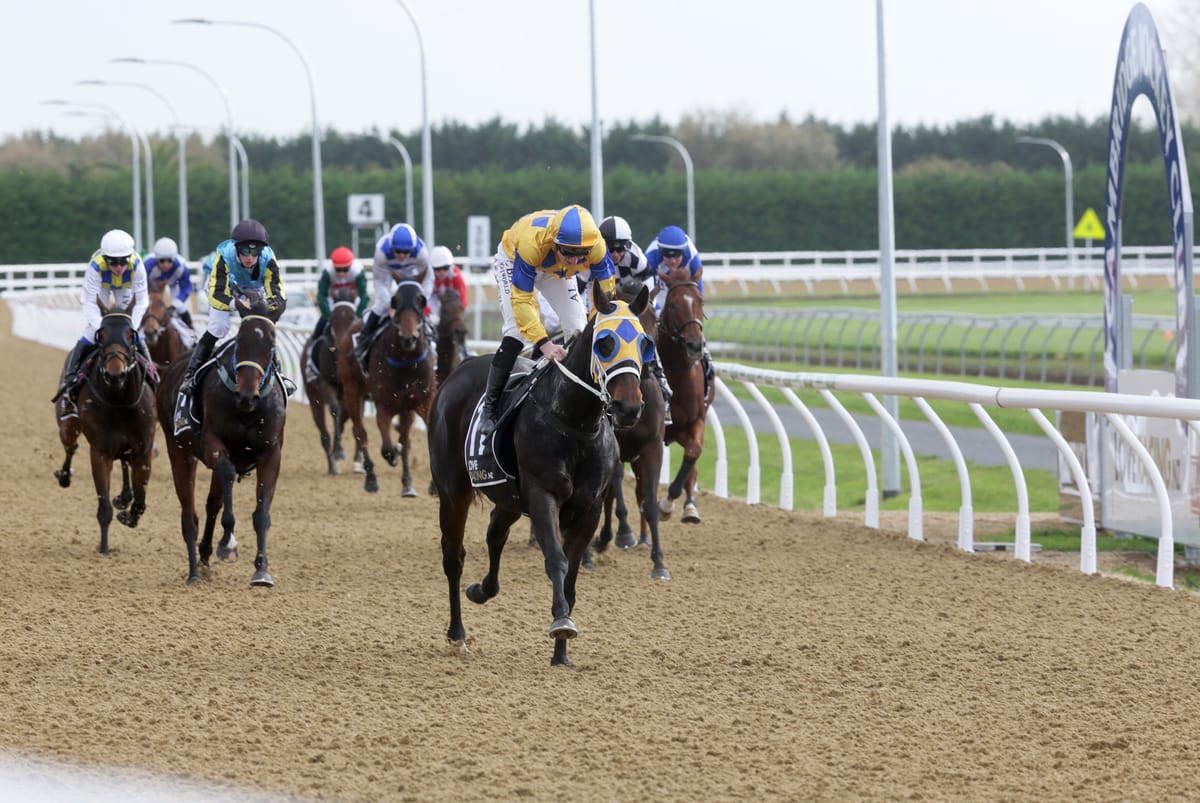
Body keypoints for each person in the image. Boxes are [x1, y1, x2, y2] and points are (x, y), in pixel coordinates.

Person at [477, 204, 616, 436]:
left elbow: (606, 294)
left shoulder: (596, 246)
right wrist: (545, 344)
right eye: (568, 252)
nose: (574, 261)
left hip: (554, 270)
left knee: (581, 331)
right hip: (516, 260)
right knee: (515, 333)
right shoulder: (534, 243)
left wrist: (598, 324)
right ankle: (489, 409)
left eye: (580, 254)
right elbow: (522, 301)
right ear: (555, 243)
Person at [176, 219, 286, 423]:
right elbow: (216, 296)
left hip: (254, 287)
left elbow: (279, 296)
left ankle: (277, 372)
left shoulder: (269, 259)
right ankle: (191, 374)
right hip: (223, 287)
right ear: (236, 248)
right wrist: (236, 304)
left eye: (255, 252)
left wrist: (265, 308)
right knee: (219, 327)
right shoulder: (223, 257)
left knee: (262, 326)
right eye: (245, 251)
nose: (250, 258)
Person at [52, 229, 154, 418]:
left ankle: (153, 377)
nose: (118, 267)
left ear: (129, 258)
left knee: (132, 336)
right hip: (102, 289)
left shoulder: (137, 265)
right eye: (113, 262)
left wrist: (132, 327)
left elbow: (142, 302)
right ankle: (70, 384)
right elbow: (89, 302)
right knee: (91, 333)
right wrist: (102, 327)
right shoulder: (96, 266)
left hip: (125, 289)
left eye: (123, 261)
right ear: (105, 259)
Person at [600, 215, 673, 409]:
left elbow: (647, 288)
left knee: (646, 331)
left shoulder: (636, 257)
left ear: (627, 246)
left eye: (620, 248)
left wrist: (646, 310)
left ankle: (661, 381)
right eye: (610, 248)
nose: (615, 254)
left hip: (629, 293)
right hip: (601, 295)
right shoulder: (594, 256)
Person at [354, 222, 433, 373]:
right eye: (398, 251)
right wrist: (389, 305)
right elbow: (380, 282)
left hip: (413, 273)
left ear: (412, 249)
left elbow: (429, 280)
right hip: (388, 273)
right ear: (391, 247)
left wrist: (421, 301)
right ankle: (363, 342)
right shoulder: (382, 253)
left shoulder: (421, 253)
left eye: (406, 252)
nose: (402, 256)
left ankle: (432, 342)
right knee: (380, 306)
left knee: (419, 310)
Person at [644, 224, 713, 390]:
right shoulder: (651, 257)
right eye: (668, 257)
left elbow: (698, 298)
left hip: (683, 287)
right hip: (659, 288)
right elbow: (648, 294)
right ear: (661, 253)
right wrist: (659, 312)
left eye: (677, 257)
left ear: (684, 253)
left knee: (693, 325)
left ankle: (707, 363)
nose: (673, 261)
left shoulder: (692, 257)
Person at [307, 245, 369, 382]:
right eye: (338, 270)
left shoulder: (358, 272)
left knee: (368, 328)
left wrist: (358, 314)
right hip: (333, 305)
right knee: (319, 328)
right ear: (333, 266)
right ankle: (310, 365)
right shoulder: (327, 272)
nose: (341, 273)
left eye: (345, 269)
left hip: (353, 305)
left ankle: (369, 368)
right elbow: (322, 296)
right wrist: (328, 315)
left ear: (351, 266)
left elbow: (364, 296)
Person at [144, 236, 196, 329]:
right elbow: (141, 286)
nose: (165, 265)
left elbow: (186, 288)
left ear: (174, 258)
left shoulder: (181, 267)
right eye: (162, 261)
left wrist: (174, 305)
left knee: (181, 307)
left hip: (174, 284)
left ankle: (191, 330)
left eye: (169, 261)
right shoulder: (147, 265)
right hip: (151, 286)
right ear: (156, 259)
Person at [428, 245, 469, 322]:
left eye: (445, 268)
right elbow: (425, 297)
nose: (442, 272)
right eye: (437, 269)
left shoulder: (456, 276)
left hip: (451, 298)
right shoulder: (428, 277)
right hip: (433, 296)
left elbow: (462, 299)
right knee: (433, 319)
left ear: (450, 266)